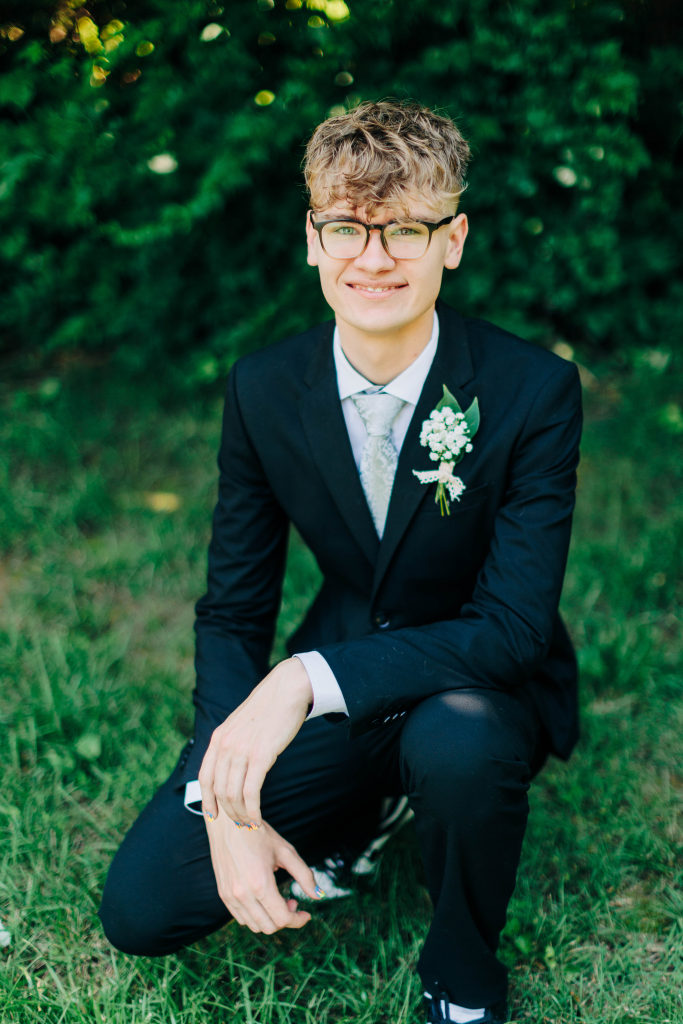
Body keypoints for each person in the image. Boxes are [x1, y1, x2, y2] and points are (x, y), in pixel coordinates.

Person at [99, 100, 582, 1024]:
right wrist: (226, 800)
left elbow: (514, 625)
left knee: (459, 742)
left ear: (454, 240)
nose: (374, 257)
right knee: (143, 905)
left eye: (405, 228)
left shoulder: (531, 391)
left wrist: (303, 682)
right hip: (344, 651)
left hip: (477, 676)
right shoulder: (263, 388)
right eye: (347, 228)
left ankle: (462, 974)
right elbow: (234, 609)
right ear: (312, 240)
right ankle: (371, 805)